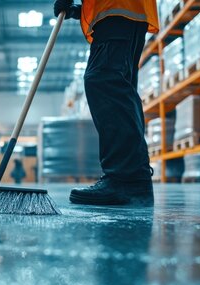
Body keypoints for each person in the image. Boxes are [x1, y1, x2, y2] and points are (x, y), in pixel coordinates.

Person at [53, 0, 159, 206]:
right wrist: (81, 10)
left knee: (104, 80)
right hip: (122, 11)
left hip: (118, 9)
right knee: (117, 85)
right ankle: (132, 180)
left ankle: (126, 180)